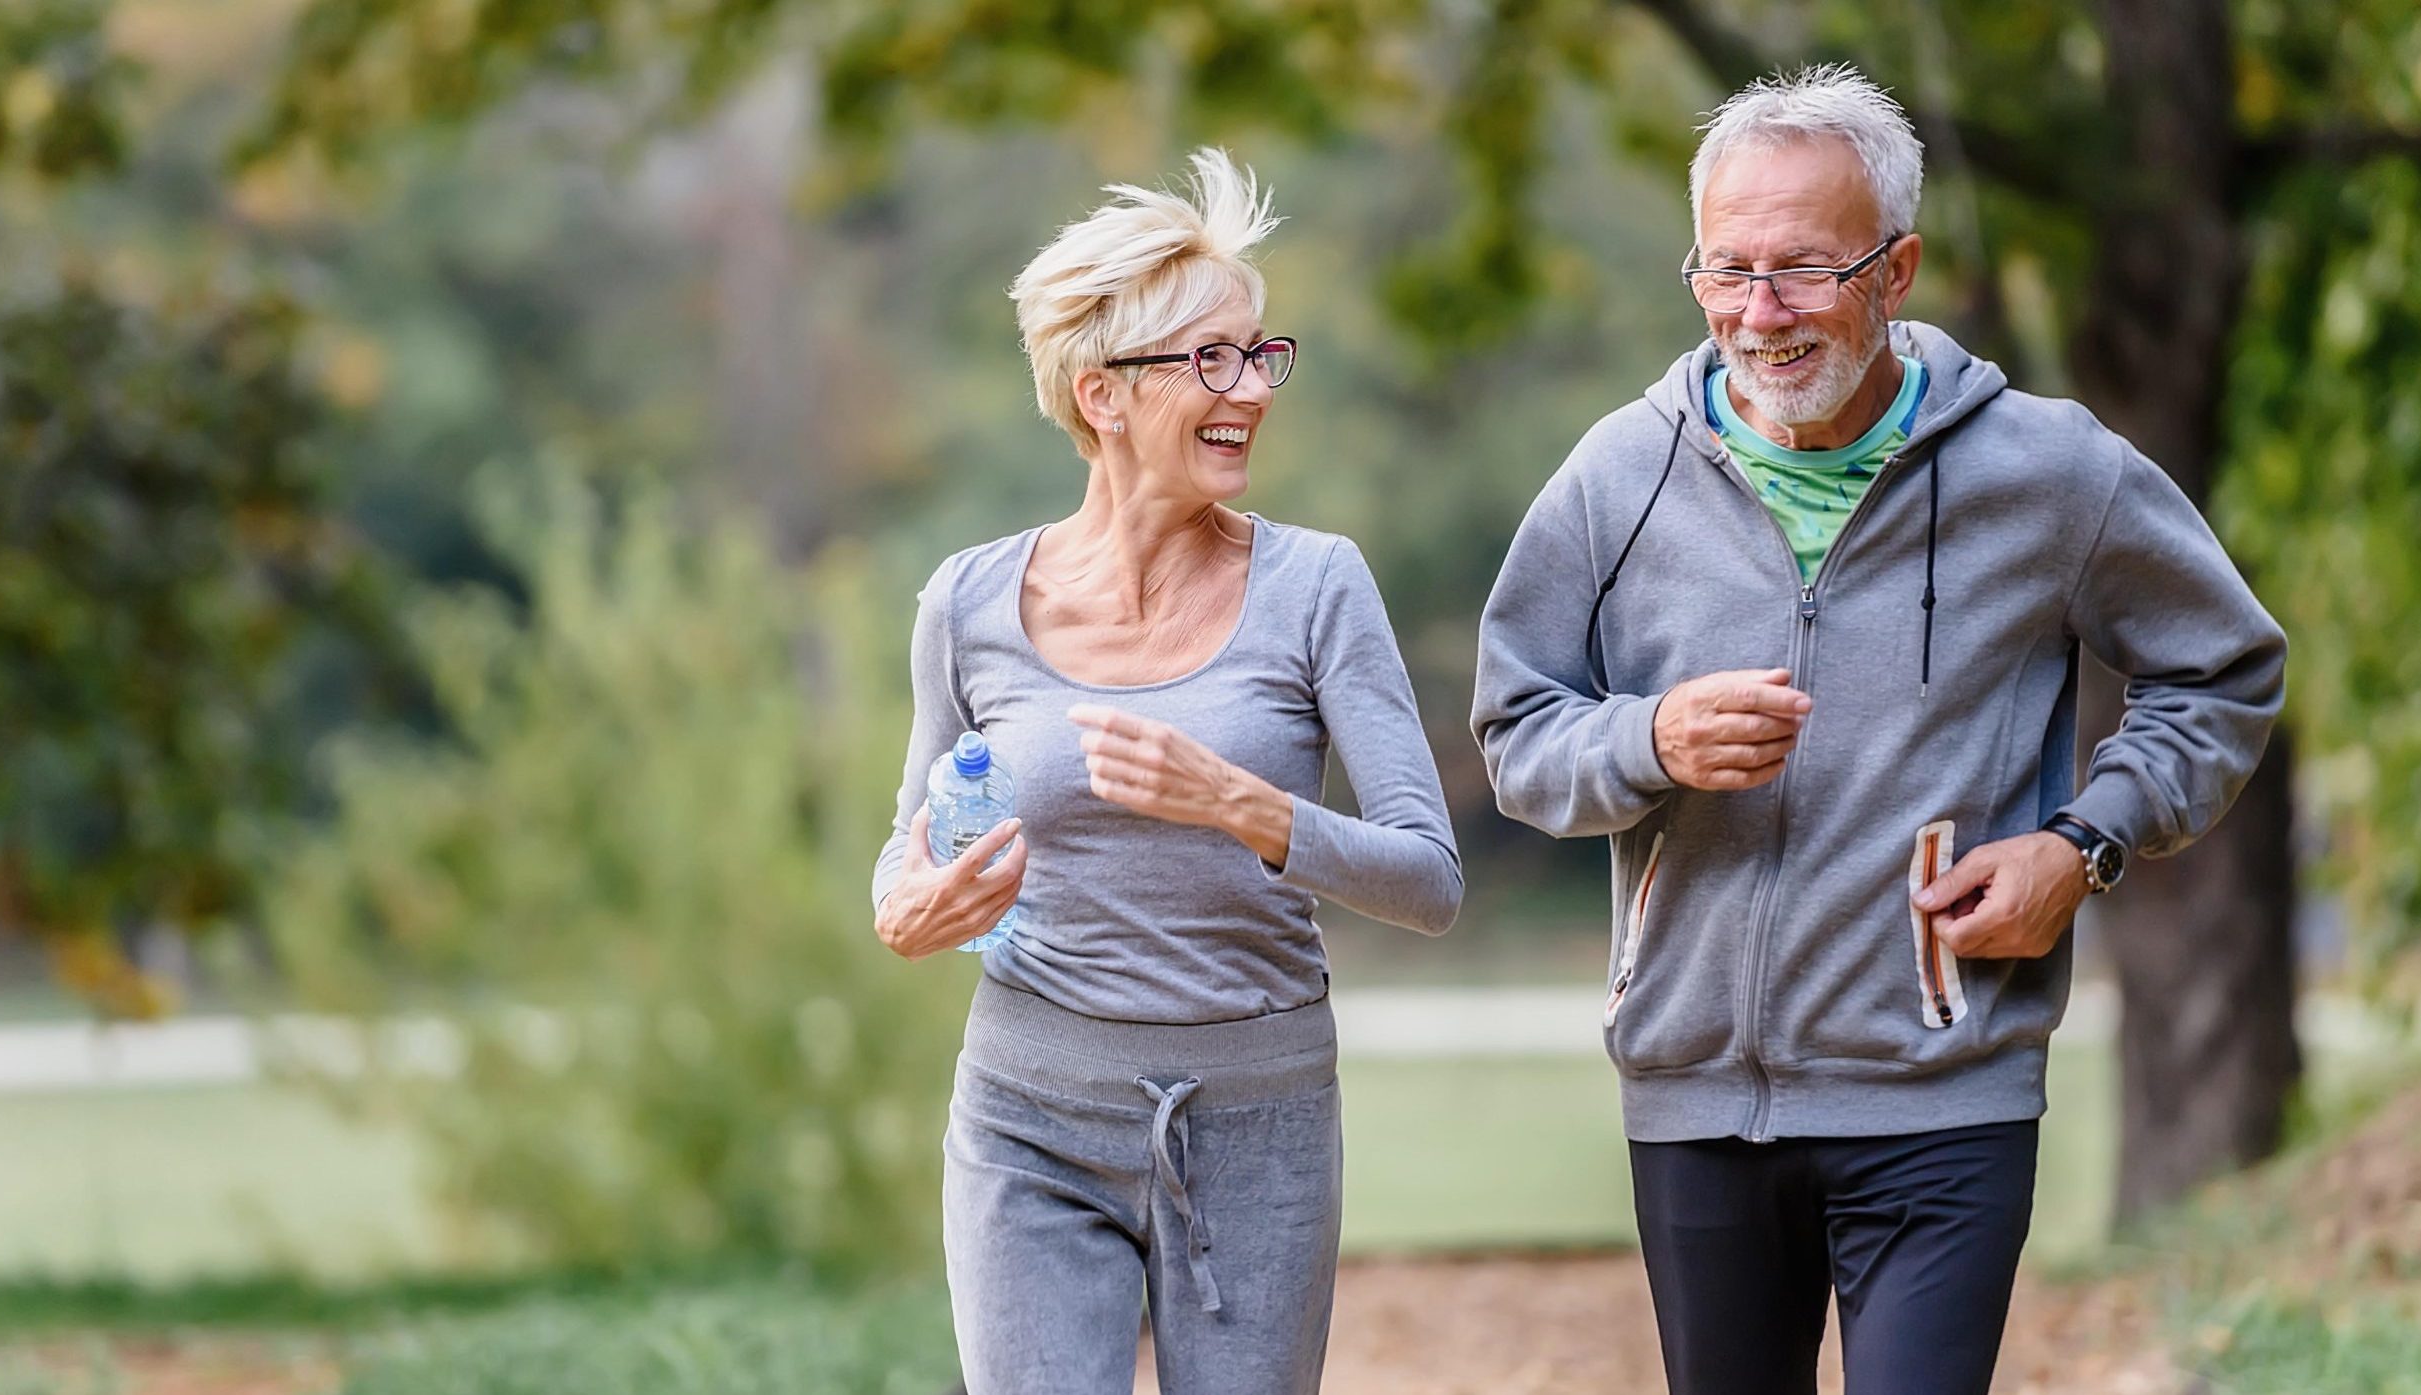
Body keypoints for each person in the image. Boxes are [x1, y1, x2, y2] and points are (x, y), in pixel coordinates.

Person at [1471, 64, 2283, 1395]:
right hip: (1694, 1093)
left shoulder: (2048, 469)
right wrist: (1649, 742)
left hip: (1943, 1087)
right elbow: (1517, 729)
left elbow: (2225, 669)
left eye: (1804, 271)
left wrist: (2084, 844)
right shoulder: (1618, 475)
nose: (1759, 313)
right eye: (1725, 271)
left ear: (1897, 269)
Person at [871, 147, 1463, 1395]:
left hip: (1260, 1119)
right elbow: (906, 845)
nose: (1250, 387)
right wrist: (905, 909)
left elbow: (1429, 879)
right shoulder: (968, 602)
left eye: (1259, 353)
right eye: (1210, 359)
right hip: (1025, 1111)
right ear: (1102, 396)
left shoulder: (1316, 586)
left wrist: (1244, 807)